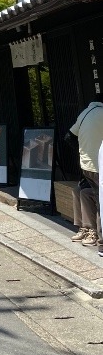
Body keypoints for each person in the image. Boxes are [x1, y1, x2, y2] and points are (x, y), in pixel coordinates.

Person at [69, 101, 103, 250]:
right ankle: (96, 235)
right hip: (97, 166)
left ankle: (87, 229)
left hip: (86, 165)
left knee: (82, 191)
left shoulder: (85, 113)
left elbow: (68, 136)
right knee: (99, 199)